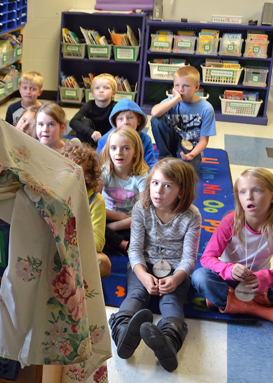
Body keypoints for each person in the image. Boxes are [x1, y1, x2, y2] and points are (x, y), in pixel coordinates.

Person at [108, 158, 201, 373]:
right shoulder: (142, 207)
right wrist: (142, 275)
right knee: (136, 295)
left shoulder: (192, 216)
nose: (158, 190)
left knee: (171, 301)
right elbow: (135, 250)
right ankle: (122, 331)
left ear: (181, 191)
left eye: (167, 185)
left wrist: (176, 279)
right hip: (143, 265)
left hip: (175, 270)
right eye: (155, 183)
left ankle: (169, 340)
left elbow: (189, 259)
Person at [192, 168, 273, 327]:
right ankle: (261, 310)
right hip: (227, 280)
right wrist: (229, 270)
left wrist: (264, 278)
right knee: (200, 277)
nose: (249, 197)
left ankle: (226, 301)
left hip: (259, 286)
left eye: (257, 191)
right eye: (242, 192)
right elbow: (207, 258)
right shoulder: (231, 221)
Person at [150, 66, 216, 172]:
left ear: (196, 87)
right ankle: (165, 157)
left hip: (190, 147)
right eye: (177, 85)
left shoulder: (206, 108)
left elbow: (203, 141)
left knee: (185, 173)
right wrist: (176, 99)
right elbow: (154, 113)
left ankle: (177, 161)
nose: (180, 90)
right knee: (156, 120)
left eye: (186, 86)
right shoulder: (173, 101)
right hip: (171, 141)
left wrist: (192, 154)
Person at [61, 144, 111, 278]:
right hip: (55, 247)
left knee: (103, 263)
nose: (69, 176)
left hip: (78, 250)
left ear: (88, 176)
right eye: (66, 169)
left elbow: (98, 243)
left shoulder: (96, 201)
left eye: (76, 172)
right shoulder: (54, 194)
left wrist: (70, 242)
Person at [99, 126, 149, 253]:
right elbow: (93, 204)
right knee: (89, 224)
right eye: (113, 148)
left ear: (136, 152)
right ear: (108, 150)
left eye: (126, 148)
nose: (119, 153)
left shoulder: (142, 177)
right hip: (107, 216)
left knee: (147, 229)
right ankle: (122, 245)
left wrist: (115, 226)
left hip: (131, 221)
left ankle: (110, 240)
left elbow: (143, 213)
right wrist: (118, 216)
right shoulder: (105, 172)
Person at [96, 98, 158, 169]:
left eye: (130, 118)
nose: (125, 122)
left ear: (139, 121)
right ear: (114, 121)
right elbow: (98, 164)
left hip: (137, 175)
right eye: (120, 119)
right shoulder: (105, 140)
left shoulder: (145, 139)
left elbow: (151, 164)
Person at [70, 73, 116, 145]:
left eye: (106, 88)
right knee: (84, 121)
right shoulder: (89, 105)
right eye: (97, 88)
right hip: (91, 139)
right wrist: (91, 132)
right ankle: (82, 150)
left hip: (109, 141)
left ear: (113, 93)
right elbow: (73, 121)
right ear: (93, 93)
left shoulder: (115, 107)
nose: (101, 90)